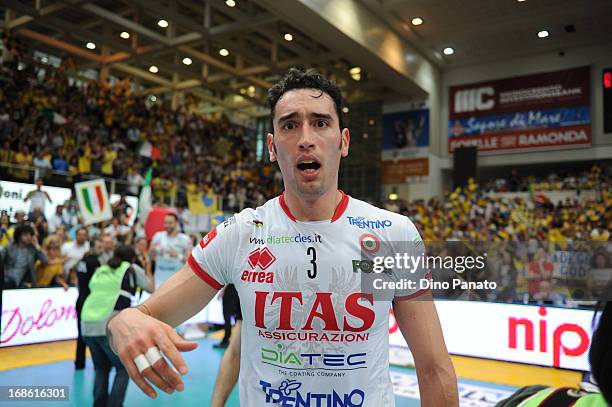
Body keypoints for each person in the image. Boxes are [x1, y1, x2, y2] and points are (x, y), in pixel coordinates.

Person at [107, 68, 458, 406]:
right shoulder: (241, 234)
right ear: (273, 147)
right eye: (290, 125)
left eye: (320, 123)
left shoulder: (392, 234)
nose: (306, 139)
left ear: (343, 141)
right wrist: (122, 320)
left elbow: (434, 369)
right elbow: (145, 315)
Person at [81, 245, 154, 407]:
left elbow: (92, 287)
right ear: (133, 258)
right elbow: (151, 287)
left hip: (87, 322)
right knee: (123, 367)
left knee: (101, 368)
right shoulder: (131, 268)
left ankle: (99, 404)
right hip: (108, 323)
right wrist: (148, 266)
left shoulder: (102, 269)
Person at [74, 239, 104, 370]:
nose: (101, 250)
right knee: (93, 333)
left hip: (80, 298)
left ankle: (79, 362)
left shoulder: (82, 260)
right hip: (90, 301)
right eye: (99, 247)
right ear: (92, 247)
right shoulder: (94, 262)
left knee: (81, 333)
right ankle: (99, 363)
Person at [149, 213, 192, 289]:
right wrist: (153, 251)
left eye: (170, 223)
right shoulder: (158, 236)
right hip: (159, 277)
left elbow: (190, 261)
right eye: (165, 223)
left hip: (176, 278)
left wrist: (178, 255)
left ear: (176, 223)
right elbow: (150, 257)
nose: (167, 225)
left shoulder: (185, 239)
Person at [0, 224, 47, 288]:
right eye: (25, 235)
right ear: (19, 236)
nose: (29, 237)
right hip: (7, 278)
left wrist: (37, 245)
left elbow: (45, 261)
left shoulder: (33, 249)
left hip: (22, 283)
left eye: (30, 235)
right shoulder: (9, 247)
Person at [213, 284, 241, 349]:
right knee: (238, 319)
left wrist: (223, 291)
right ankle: (237, 342)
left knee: (228, 318)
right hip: (239, 290)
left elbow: (228, 279)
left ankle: (226, 341)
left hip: (231, 291)